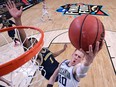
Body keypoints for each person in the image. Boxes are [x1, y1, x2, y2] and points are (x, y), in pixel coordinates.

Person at [6, 1, 67, 81]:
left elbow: (52, 55)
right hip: (52, 74)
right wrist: (17, 20)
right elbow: (24, 41)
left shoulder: (44, 49)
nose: (35, 42)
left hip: (58, 68)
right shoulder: (36, 56)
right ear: (31, 46)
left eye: (35, 41)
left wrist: (62, 50)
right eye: (32, 43)